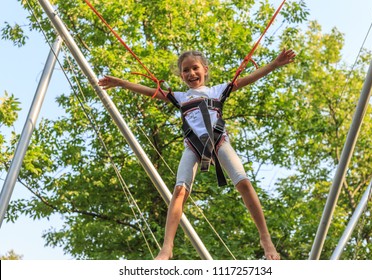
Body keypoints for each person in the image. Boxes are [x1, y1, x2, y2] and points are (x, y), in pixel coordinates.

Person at [98, 48, 296, 260]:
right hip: (192, 146)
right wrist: (122, 83)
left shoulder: (217, 91)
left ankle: (265, 239)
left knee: (244, 183)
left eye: (195, 68)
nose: (191, 73)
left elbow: (247, 79)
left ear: (205, 70)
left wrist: (274, 64)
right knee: (180, 190)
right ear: (181, 75)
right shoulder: (180, 97)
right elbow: (148, 90)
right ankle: (167, 248)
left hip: (219, 141)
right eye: (186, 70)